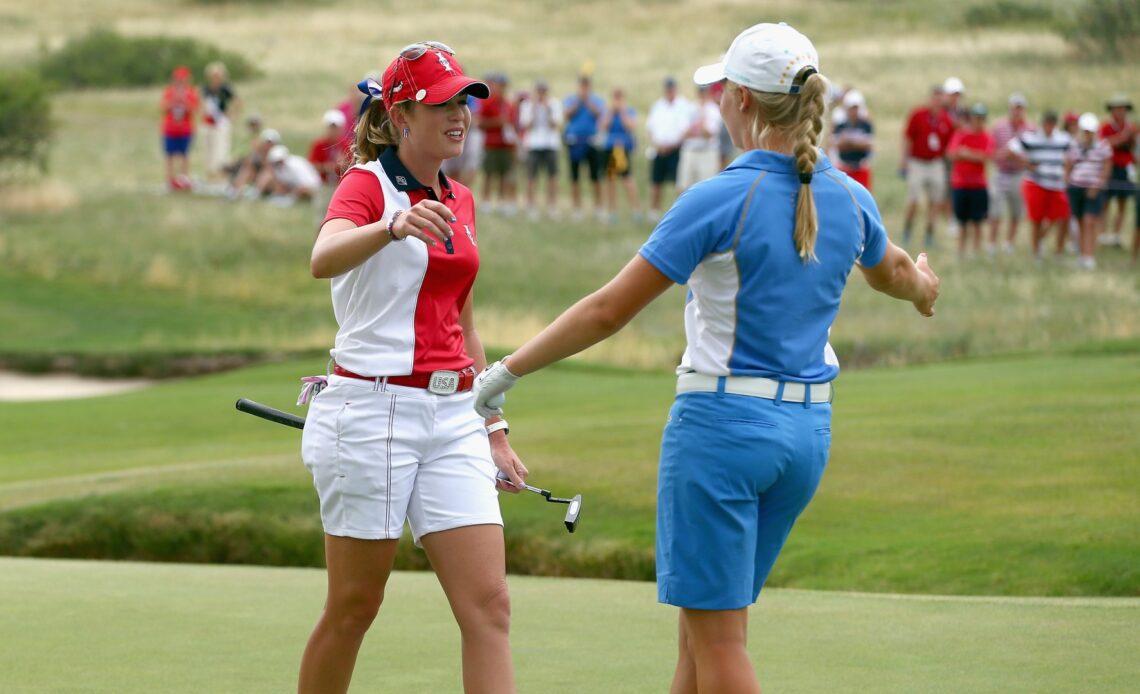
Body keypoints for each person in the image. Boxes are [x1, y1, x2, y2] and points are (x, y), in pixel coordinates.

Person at [471, 23, 938, 694]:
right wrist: (925, 292)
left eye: (721, 91)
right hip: (805, 439)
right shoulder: (851, 197)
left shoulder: (721, 197)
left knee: (719, 644)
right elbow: (894, 271)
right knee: (705, 636)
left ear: (743, 101)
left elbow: (607, 310)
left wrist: (500, 375)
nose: (716, 102)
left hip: (722, 431)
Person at [301, 41, 524, 694]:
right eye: (441, 104)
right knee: (354, 608)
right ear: (401, 117)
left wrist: (494, 426)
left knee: (490, 607)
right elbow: (323, 256)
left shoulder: (462, 198)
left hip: (453, 414)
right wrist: (393, 227)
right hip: (370, 413)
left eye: (464, 103)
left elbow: (465, 324)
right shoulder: (365, 185)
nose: (459, 115)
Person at [1007, 110, 1072, 259]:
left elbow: (1071, 156)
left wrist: (1067, 173)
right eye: (1047, 124)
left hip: (1057, 184)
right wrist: (1026, 164)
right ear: (1043, 124)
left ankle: (1058, 252)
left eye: (1052, 124)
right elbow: (1010, 150)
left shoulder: (1063, 138)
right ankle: (1037, 252)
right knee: (1037, 219)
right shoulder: (1032, 137)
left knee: (1063, 217)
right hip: (1037, 183)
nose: (1049, 127)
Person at [901, 85, 955, 247]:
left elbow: (949, 144)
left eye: (940, 100)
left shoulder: (945, 119)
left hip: (935, 163)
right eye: (935, 99)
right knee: (914, 199)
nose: (937, 103)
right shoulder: (918, 115)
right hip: (918, 162)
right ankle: (907, 230)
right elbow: (907, 138)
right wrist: (904, 159)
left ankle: (930, 234)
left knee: (935, 200)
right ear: (930, 99)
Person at [987, 93, 1035, 254]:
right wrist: (1005, 154)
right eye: (1015, 108)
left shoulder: (1030, 129)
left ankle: (1009, 242)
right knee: (996, 210)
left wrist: (1018, 158)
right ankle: (992, 243)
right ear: (1010, 109)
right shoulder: (999, 127)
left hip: (1019, 174)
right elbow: (991, 152)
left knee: (1016, 210)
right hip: (1001, 172)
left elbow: (1032, 157)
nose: (1017, 112)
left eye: (1020, 109)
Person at [1065, 113, 1113, 270]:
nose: (1088, 134)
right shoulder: (1074, 145)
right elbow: (1069, 165)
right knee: (1079, 222)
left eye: (1090, 131)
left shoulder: (1103, 146)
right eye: (1085, 131)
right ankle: (1082, 254)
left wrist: (1097, 186)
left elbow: (1106, 168)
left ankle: (1089, 256)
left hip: (1094, 188)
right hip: (1075, 187)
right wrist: (1067, 183)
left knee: (1089, 221)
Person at [947, 103, 995, 258]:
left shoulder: (987, 137)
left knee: (977, 221)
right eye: (976, 118)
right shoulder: (961, 134)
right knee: (962, 221)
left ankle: (975, 251)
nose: (978, 121)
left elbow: (985, 157)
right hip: (961, 184)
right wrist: (975, 155)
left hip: (978, 185)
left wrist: (966, 152)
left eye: (981, 118)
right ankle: (961, 251)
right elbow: (952, 154)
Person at [646, 76, 694, 221]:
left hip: (676, 149)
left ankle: (679, 212)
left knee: (679, 182)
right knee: (656, 181)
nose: (670, 91)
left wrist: (672, 145)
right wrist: (658, 144)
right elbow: (651, 128)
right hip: (660, 149)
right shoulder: (658, 106)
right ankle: (654, 211)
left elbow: (686, 130)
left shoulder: (684, 105)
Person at [517, 79, 562, 219]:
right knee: (531, 176)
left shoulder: (554, 104)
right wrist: (535, 109)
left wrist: (547, 110)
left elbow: (556, 125)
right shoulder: (527, 105)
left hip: (550, 144)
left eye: (544, 91)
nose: (541, 94)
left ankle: (552, 206)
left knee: (552, 177)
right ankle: (531, 206)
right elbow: (526, 125)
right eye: (539, 91)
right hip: (533, 144)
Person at [562, 75, 606, 220]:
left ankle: (598, 207)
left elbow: (599, 115)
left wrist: (587, 101)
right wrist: (578, 102)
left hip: (591, 141)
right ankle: (577, 208)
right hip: (574, 141)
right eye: (582, 86)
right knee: (575, 177)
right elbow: (567, 115)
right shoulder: (571, 100)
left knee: (595, 177)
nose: (584, 89)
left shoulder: (596, 100)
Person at [598, 88, 644, 222]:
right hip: (610, 148)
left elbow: (631, 126)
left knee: (627, 179)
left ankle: (636, 210)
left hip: (622, 149)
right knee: (611, 180)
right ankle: (612, 211)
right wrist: (612, 112)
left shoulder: (629, 111)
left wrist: (622, 111)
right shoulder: (608, 112)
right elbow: (603, 125)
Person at [1098, 95, 1137, 248]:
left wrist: (1132, 138)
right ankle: (1102, 233)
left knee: (1123, 203)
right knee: (1105, 201)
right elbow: (1104, 144)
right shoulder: (1106, 127)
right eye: (1118, 109)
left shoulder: (1131, 127)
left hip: (1125, 169)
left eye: (1123, 109)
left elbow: (1135, 149)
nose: (1121, 112)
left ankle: (1116, 235)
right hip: (1110, 167)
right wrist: (1123, 137)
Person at [478, 73, 517, 215]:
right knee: (488, 174)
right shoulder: (488, 103)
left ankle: (502, 202)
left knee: (503, 175)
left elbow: (513, 125)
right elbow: (480, 123)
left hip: (506, 145)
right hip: (491, 145)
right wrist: (497, 122)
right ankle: (486, 201)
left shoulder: (509, 105)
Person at [677, 83, 724, 192]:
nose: (702, 95)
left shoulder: (714, 110)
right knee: (683, 187)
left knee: (708, 188)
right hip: (690, 150)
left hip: (707, 152)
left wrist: (701, 118)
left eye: (704, 92)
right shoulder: (689, 108)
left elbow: (709, 134)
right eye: (700, 92)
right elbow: (683, 134)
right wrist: (697, 131)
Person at [160, 65, 200, 191]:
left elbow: (194, 109)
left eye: (183, 79)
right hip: (170, 129)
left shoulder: (191, 92)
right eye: (178, 79)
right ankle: (169, 179)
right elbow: (163, 108)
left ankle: (183, 178)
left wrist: (183, 100)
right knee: (169, 155)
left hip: (185, 129)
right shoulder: (169, 91)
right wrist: (173, 100)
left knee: (184, 155)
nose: (180, 82)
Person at [201, 61, 241, 181]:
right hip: (208, 122)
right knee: (208, 148)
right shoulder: (206, 89)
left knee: (221, 148)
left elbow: (237, 101)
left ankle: (221, 173)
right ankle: (210, 173)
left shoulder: (226, 89)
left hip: (221, 122)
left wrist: (231, 114)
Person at [831, 89, 874, 191]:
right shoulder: (840, 125)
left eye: (856, 108)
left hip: (860, 168)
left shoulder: (865, 125)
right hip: (844, 167)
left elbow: (868, 145)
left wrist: (849, 143)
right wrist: (857, 144)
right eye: (851, 108)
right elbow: (837, 144)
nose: (854, 111)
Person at [309, 109, 352, 185]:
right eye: (331, 128)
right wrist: (327, 167)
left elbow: (352, 166)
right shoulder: (319, 145)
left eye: (336, 128)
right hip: (322, 183)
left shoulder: (346, 145)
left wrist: (342, 165)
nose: (333, 131)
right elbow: (311, 165)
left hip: (340, 183)